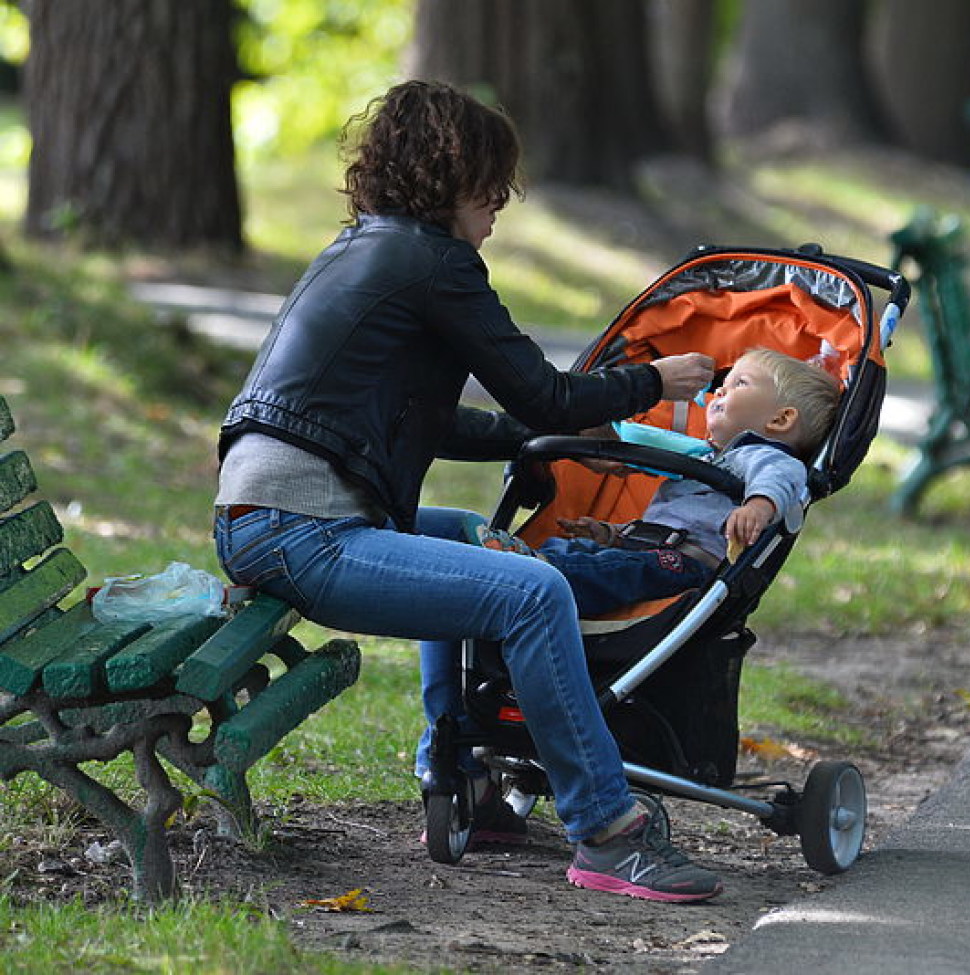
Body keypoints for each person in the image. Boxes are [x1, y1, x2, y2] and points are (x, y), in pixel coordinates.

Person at [212, 80, 724, 903]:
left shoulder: (363, 249)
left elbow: (431, 420)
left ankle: (462, 776)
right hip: (300, 528)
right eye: (493, 185)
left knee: (460, 540)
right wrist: (649, 381)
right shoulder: (437, 264)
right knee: (533, 592)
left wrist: (534, 440)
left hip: (267, 518)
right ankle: (608, 832)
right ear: (451, 176)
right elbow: (546, 395)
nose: (501, 205)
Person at [467, 348, 843, 618]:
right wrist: (609, 533)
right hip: (649, 547)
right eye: (722, 384)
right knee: (588, 554)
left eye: (739, 384)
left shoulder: (761, 455)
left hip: (687, 562)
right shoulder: (708, 456)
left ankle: (529, 575)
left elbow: (785, 478)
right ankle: (527, 564)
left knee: (621, 571)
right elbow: (669, 520)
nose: (720, 391)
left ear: (780, 420)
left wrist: (759, 505)